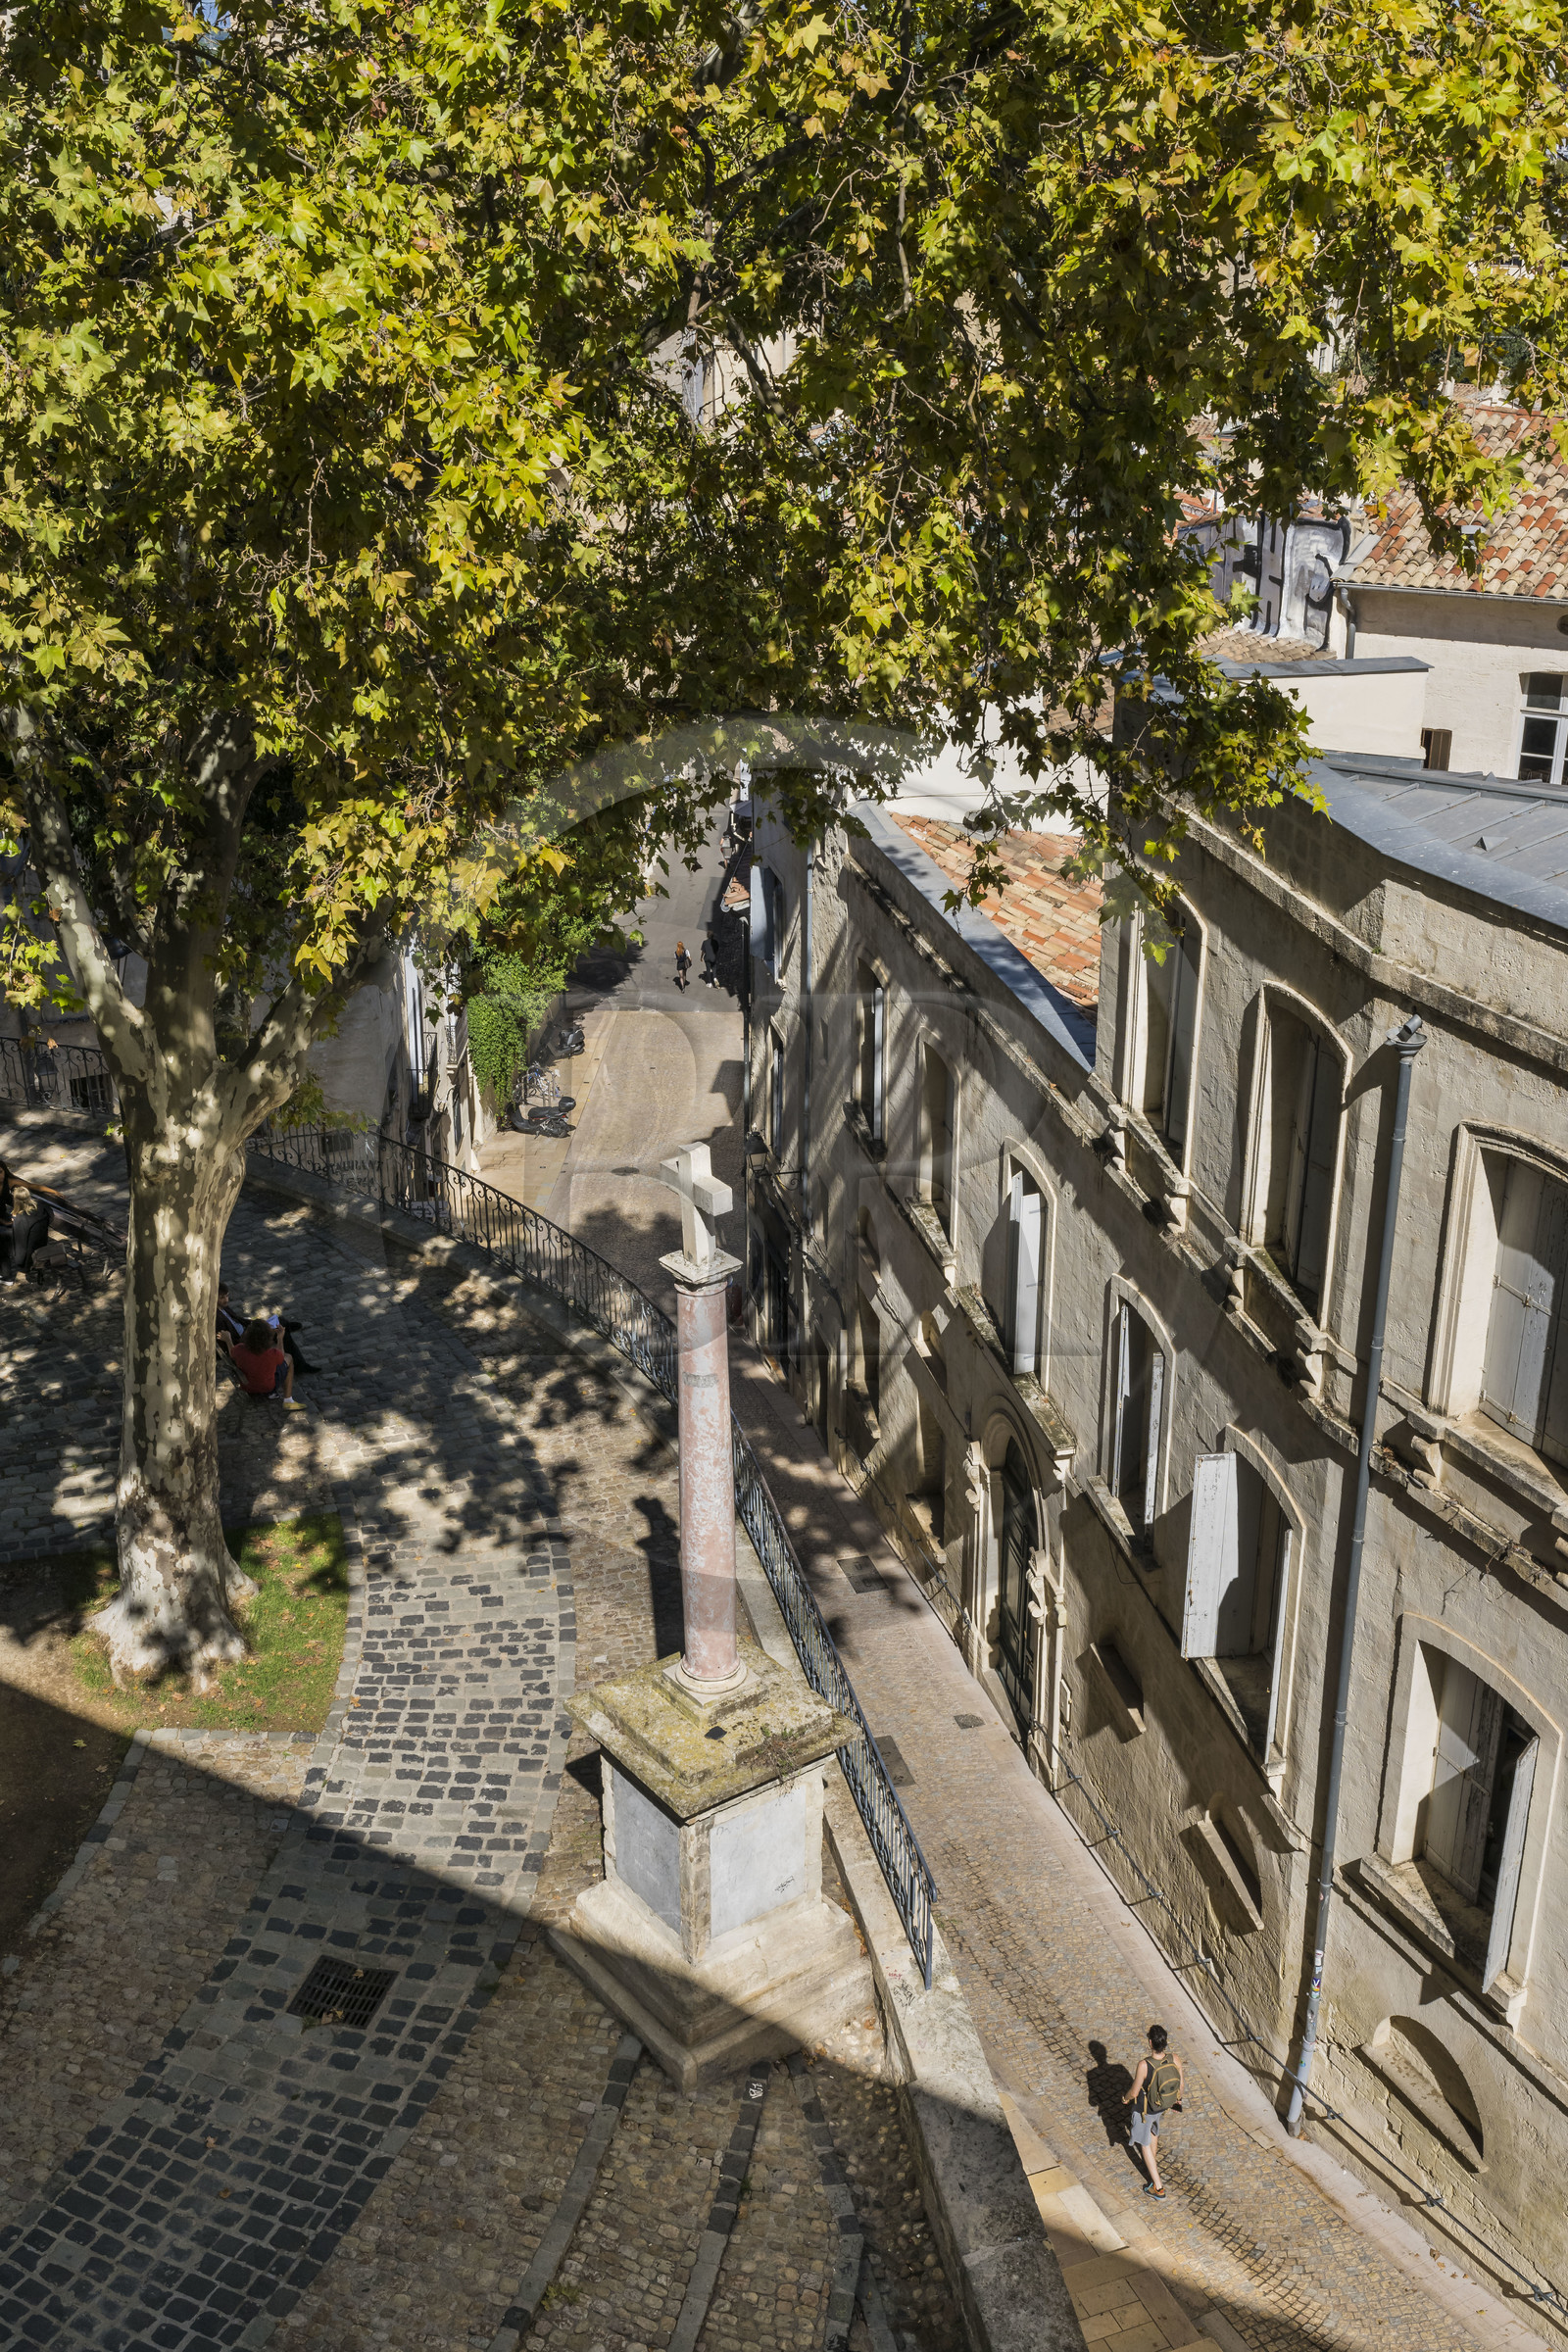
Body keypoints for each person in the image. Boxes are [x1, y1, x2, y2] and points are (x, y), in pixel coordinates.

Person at [1123, 2024, 1184, 2198]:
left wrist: (1125, 2099)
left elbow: (1134, 2092)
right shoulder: (1175, 2058)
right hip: (1164, 2104)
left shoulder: (1144, 2065)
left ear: (1150, 2042)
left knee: (1143, 2141)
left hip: (1146, 2108)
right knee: (1153, 2132)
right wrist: (1177, 2100)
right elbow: (1181, 2084)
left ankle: (1157, 2187)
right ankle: (1152, 2167)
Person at [217, 1284, 318, 1375]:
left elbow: (238, 1320)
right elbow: (231, 1344)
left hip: (247, 1329)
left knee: (278, 1320)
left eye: (227, 1296)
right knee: (281, 1330)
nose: (226, 1300)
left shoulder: (224, 1307)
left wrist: (255, 1323)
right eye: (222, 1297)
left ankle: (286, 1326)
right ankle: (301, 1364)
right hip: (246, 1338)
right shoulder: (218, 1318)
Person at [228, 1316, 304, 1407]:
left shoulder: (239, 1349)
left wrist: (228, 1339)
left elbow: (232, 1353)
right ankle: (288, 1399)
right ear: (268, 1338)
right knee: (289, 1357)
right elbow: (281, 1357)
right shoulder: (273, 1353)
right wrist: (280, 1338)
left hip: (247, 1386)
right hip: (268, 1387)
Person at [0, 1159, 53, 1285]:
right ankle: (5, 1273)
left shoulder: (9, 1182)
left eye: (1, 1172)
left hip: (5, 1217)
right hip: (3, 1219)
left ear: (4, 1171)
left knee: (5, 1238)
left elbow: (32, 1186)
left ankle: (5, 1274)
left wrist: (53, 1192)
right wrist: (5, 1222)